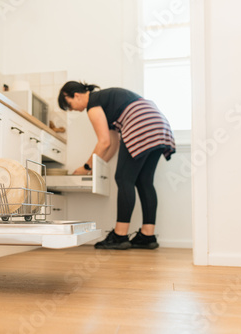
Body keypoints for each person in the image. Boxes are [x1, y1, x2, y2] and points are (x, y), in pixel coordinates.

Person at [58, 81, 175, 250]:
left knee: (123, 178)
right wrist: (98, 167)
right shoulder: (108, 104)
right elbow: (112, 144)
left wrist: (86, 167)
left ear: (75, 95)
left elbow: (103, 142)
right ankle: (147, 236)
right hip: (157, 123)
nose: (73, 110)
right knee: (144, 181)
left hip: (140, 122)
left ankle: (120, 236)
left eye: (69, 105)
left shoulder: (93, 103)